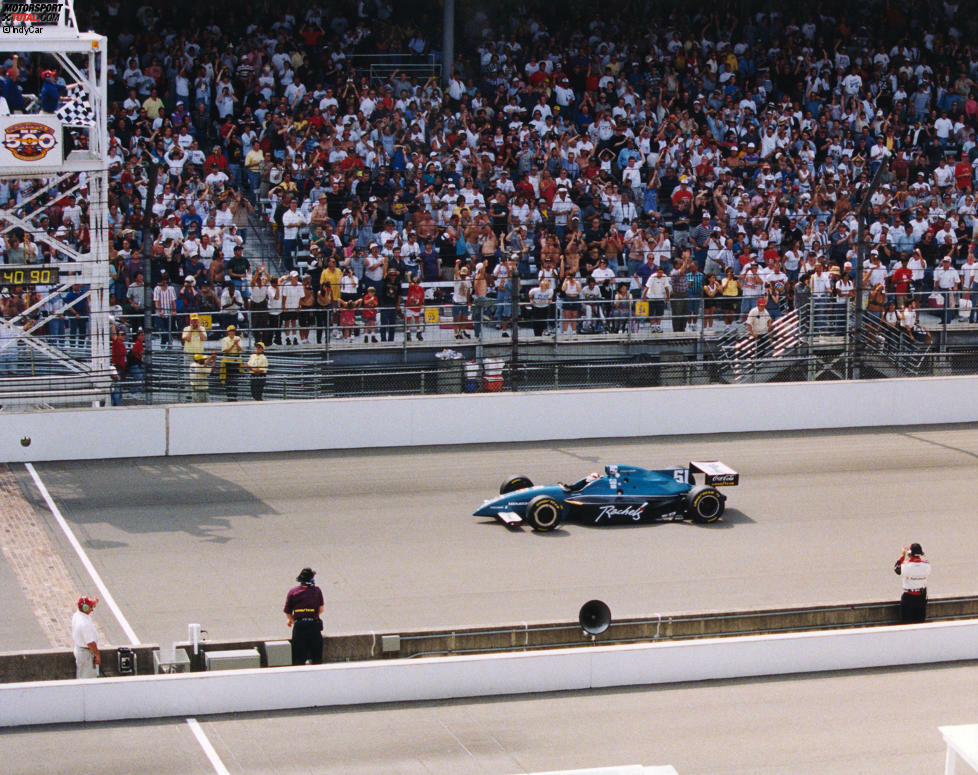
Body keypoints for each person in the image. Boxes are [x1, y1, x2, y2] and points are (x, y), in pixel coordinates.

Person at [284, 566, 324, 665]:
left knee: (299, 658)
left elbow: (288, 612)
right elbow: (321, 609)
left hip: (299, 627)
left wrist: (293, 620)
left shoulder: (292, 592)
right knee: (316, 658)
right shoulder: (317, 591)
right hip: (314, 626)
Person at [894, 543, 931, 623]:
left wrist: (902, 556)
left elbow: (896, 568)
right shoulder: (927, 565)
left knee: (907, 623)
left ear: (909, 553)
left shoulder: (905, 566)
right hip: (921, 597)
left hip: (908, 597)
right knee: (920, 623)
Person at [71, 596, 100, 679]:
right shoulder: (84, 624)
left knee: (81, 675)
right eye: (91, 607)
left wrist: (94, 602)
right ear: (85, 608)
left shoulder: (77, 615)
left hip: (80, 651)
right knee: (88, 679)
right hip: (86, 654)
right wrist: (97, 655)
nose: (92, 609)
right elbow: (90, 642)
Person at [220, 325, 243, 401]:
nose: (232, 332)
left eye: (233, 331)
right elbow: (225, 350)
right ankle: (229, 395)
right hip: (228, 360)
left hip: (236, 360)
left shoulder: (238, 338)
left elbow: (240, 349)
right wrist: (233, 345)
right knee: (228, 379)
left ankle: (234, 395)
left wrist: (236, 344)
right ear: (228, 332)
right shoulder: (225, 340)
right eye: (230, 331)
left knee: (235, 378)